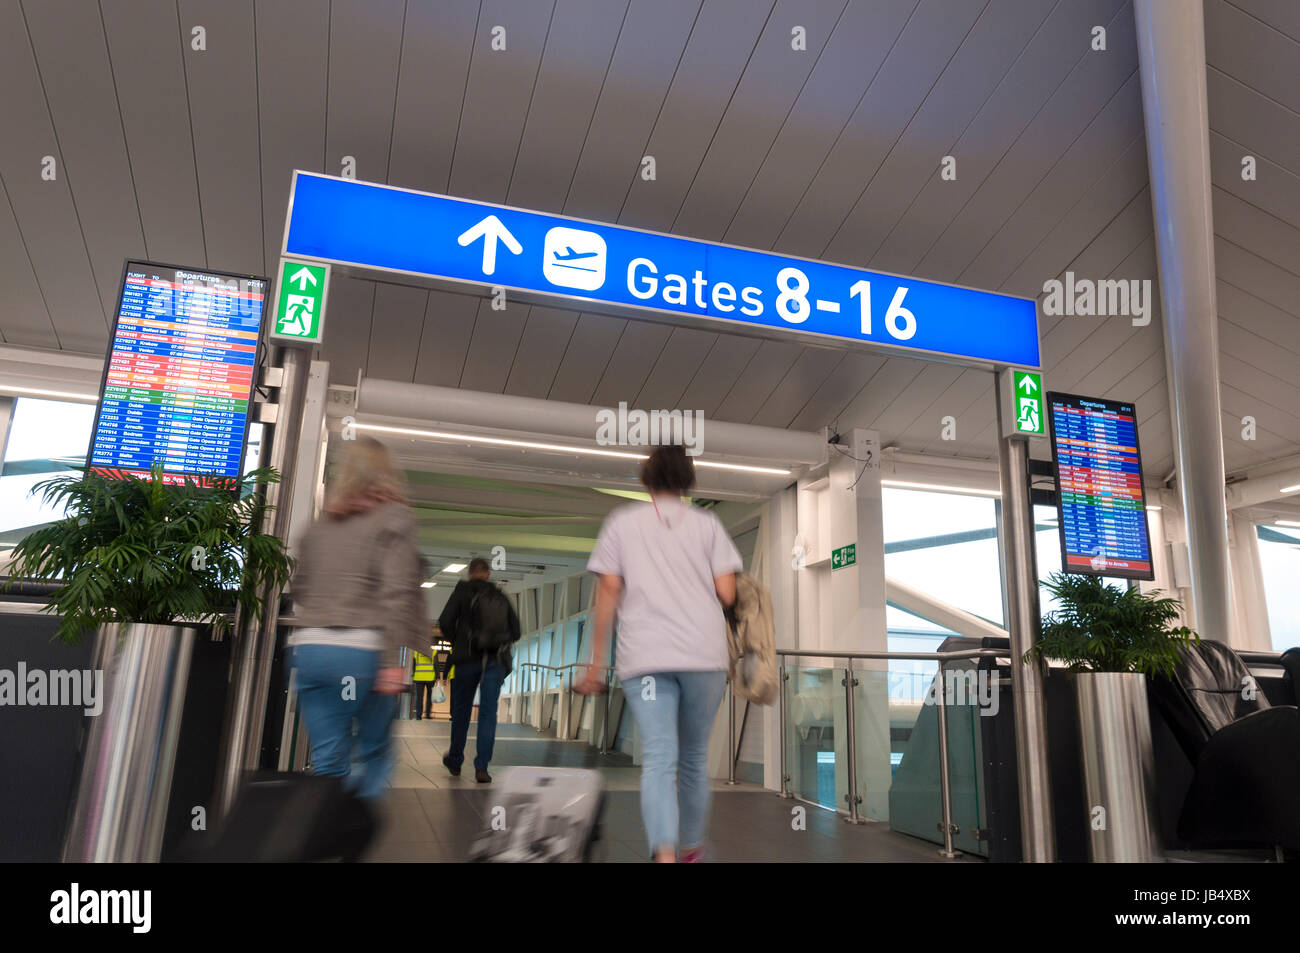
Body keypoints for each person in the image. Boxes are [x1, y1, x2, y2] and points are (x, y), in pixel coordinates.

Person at [576, 444, 742, 863]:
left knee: (659, 759)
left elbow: (609, 593)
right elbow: (727, 593)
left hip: (647, 661)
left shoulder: (621, 523)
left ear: (645, 479)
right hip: (704, 658)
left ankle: (663, 855)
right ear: (688, 481)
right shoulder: (708, 524)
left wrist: (595, 662)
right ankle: (690, 852)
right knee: (693, 760)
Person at [288, 436, 428, 802]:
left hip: (313, 653)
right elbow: (397, 592)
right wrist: (390, 663)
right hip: (362, 654)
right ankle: (353, 840)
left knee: (327, 760)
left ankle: (324, 838)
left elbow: (299, 587)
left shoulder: (320, 524)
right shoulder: (396, 517)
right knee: (375, 753)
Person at [437, 557, 521, 782]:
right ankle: (482, 767)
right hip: (494, 662)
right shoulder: (499, 595)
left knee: (461, 711)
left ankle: (455, 760)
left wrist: (460, 641)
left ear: (469, 573)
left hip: (466, 661)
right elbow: (516, 630)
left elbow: (445, 621)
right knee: (487, 714)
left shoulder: (461, 593)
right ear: (487, 574)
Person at [411, 646, 437, 719]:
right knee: (429, 697)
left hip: (419, 677)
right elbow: (436, 664)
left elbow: (413, 664)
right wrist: (437, 676)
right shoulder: (433, 652)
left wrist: (413, 674)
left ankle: (418, 715)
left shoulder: (416, 652)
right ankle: (428, 715)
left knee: (419, 697)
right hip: (430, 677)